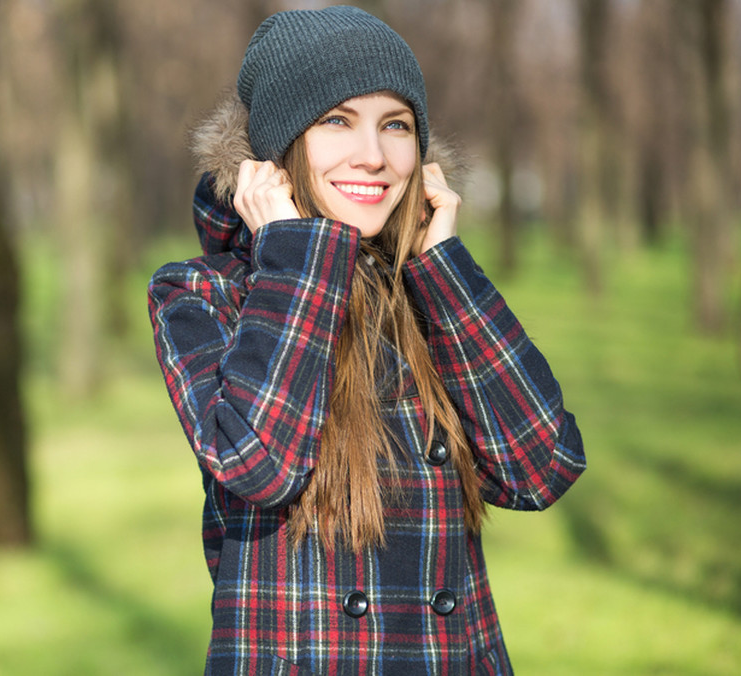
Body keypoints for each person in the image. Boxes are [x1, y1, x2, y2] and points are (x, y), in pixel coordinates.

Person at [147, 6, 586, 675]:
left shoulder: (428, 290)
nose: (375, 156)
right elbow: (259, 465)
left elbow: (540, 468)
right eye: (336, 121)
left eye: (396, 125)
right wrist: (294, 256)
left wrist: (442, 267)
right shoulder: (202, 295)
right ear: (277, 151)